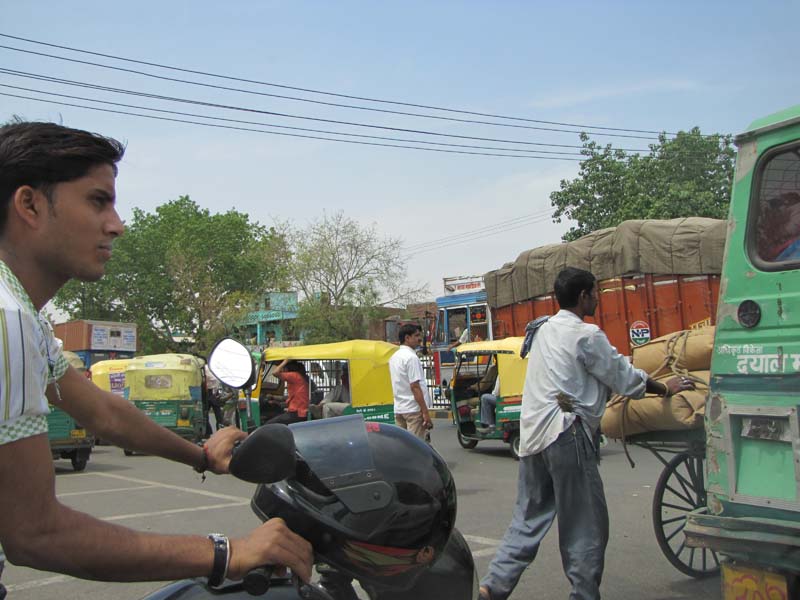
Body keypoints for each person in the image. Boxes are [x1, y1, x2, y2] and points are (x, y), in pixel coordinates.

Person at [0, 121, 312, 595]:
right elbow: (34, 534)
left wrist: (202, 456)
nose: (117, 225)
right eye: (97, 201)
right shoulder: (7, 317)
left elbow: (103, 412)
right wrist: (227, 553)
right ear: (30, 205)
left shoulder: (24, 316)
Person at [478, 267, 694, 600]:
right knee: (585, 525)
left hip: (533, 436)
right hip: (567, 434)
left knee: (528, 518)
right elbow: (623, 377)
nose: (597, 298)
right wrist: (665, 387)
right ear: (583, 297)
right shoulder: (587, 335)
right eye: (595, 293)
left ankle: (493, 586)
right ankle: (583, 595)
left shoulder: (542, 330)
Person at [389, 323, 433, 441]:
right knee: (416, 448)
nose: (419, 339)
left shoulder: (394, 357)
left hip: (399, 409)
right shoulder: (411, 358)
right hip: (413, 410)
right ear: (407, 338)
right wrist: (425, 412)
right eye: (416, 335)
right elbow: (415, 386)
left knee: (403, 447)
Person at [267, 359, 309, 425]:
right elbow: (291, 397)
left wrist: (285, 361)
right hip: (299, 412)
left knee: (269, 424)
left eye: (284, 367)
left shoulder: (294, 376)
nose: (282, 370)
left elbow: (275, 373)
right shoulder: (299, 377)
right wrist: (274, 398)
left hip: (296, 413)